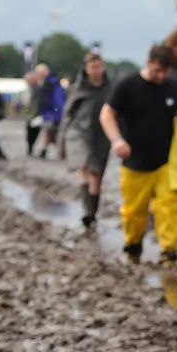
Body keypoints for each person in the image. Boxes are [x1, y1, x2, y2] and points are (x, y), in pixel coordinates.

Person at [100, 43, 177, 266]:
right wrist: (116, 140)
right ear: (149, 63)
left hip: (166, 162)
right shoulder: (128, 86)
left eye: (166, 71)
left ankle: (168, 252)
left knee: (169, 208)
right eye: (158, 70)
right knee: (134, 212)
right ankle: (133, 247)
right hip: (134, 163)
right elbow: (107, 114)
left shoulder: (173, 88)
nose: (162, 75)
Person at [61, 51, 116, 230]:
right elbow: (68, 113)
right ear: (86, 69)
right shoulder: (78, 88)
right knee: (85, 166)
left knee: (97, 173)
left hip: (102, 134)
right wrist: (62, 138)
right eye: (92, 67)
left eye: (99, 66)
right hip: (80, 132)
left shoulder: (111, 88)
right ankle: (86, 210)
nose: (96, 70)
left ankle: (92, 210)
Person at [34, 65, 65, 159]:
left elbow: (56, 101)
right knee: (51, 133)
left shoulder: (50, 84)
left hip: (52, 113)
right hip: (54, 113)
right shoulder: (54, 83)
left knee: (52, 132)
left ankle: (60, 152)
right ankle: (51, 151)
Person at [23, 67, 44, 155]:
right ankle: (31, 148)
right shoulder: (30, 89)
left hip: (36, 115)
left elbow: (36, 103)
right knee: (30, 133)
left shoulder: (39, 89)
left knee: (33, 132)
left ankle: (34, 148)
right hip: (31, 114)